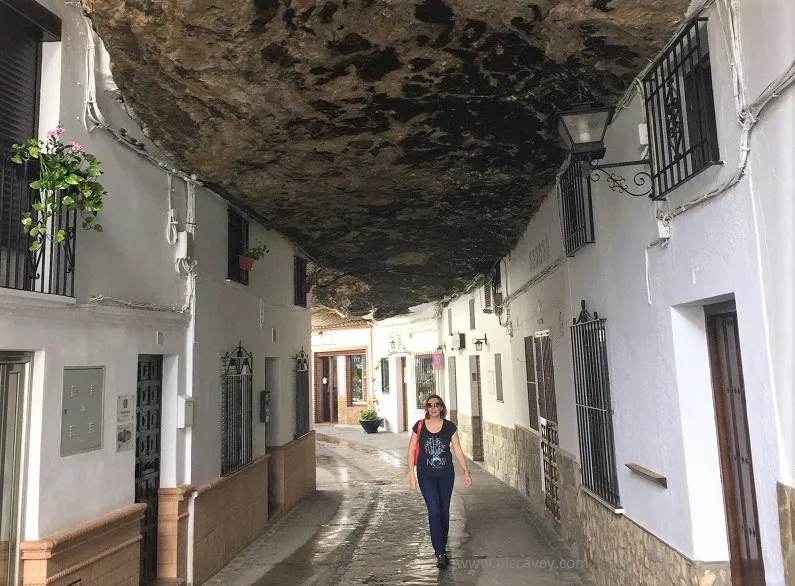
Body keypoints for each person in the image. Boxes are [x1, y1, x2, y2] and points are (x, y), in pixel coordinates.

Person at [407, 394, 472, 569]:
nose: (433, 408)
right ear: (426, 408)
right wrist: (411, 476)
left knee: (444, 511)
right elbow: (412, 449)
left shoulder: (449, 427)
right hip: (425, 475)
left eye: (436, 405)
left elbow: (457, 450)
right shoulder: (419, 426)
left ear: (441, 407)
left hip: (445, 475)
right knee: (434, 511)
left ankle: (442, 544)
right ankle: (440, 553)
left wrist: (466, 470)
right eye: (430, 405)